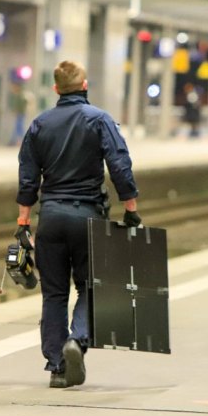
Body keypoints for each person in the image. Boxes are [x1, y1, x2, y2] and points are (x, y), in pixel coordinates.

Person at [16, 60, 141, 389]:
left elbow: (28, 177)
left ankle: (57, 365)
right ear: (84, 86)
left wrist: (23, 221)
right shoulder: (99, 119)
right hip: (88, 218)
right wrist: (131, 208)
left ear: (56, 89)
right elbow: (119, 164)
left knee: (53, 294)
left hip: (51, 219)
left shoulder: (39, 124)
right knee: (91, 286)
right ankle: (79, 339)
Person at [8, 82, 28, 146]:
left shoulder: (20, 95)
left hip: (20, 114)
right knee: (17, 128)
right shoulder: (17, 95)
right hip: (20, 113)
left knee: (19, 127)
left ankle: (21, 141)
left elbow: (21, 105)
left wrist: (17, 111)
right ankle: (14, 141)